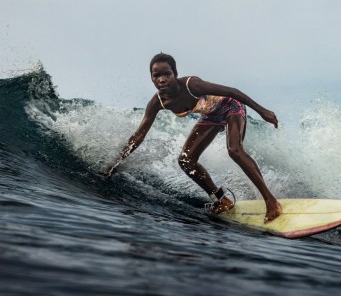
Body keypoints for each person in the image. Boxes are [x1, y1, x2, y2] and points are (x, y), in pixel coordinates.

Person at [102, 53, 282, 223]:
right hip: (210, 116)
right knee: (186, 160)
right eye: (156, 75)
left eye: (167, 74)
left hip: (230, 107)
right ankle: (221, 200)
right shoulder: (158, 102)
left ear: (175, 74)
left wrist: (262, 111)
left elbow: (232, 92)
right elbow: (139, 135)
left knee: (234, 150)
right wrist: (117, 162)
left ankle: (270, 200)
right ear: (151, 77)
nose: (162, 79)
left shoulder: (192, 85)